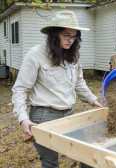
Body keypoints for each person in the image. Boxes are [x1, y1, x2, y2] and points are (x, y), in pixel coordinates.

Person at [11, 10, 102, 167]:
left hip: (69, 113)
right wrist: (23, 119)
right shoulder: (35, 55)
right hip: (44, 115)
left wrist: (94, 101)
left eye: (74, 37)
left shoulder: (72, 55)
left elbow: (79, 83)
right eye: (66, 35)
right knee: (50, 162)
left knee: (87, 154)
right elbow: (20, 89)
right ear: (54, 34)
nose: (71, 40)